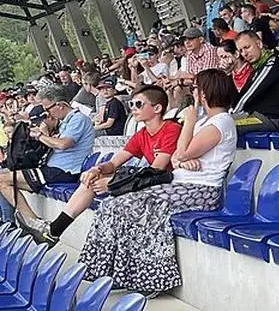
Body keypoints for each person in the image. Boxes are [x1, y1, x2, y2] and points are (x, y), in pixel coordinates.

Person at [78, 69, 238, 296]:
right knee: (113, 205)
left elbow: (180, 154)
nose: (193, 92)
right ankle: (112, 271)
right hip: (183, 183)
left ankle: (151, 277)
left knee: (128, 205)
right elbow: (176, 158)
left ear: (205, 93)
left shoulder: (220, 123)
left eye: (196, 89)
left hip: (202, 189)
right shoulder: (207, 121)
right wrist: (183, 159)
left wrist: (189, 124)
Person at [33, 85, 181, 246]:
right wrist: (97, 169)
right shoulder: (141, 135)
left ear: (157, 108)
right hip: (152, 182)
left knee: (110, 201)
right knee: (93, 180)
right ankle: (54, 231)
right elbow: (114, 163)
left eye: (138, 104)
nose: (133, 109)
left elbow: (157, 170)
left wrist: (111, 183)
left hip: (172, 183)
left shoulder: (171, 129)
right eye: (131, 104)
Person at [1, 84, 96, 229]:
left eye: (47, 109)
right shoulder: (65, 122)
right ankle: (29, 222)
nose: (47, 114)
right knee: (3, 180)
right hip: (53, 169)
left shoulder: (78, 119)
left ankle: (34, 223)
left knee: (3, 180)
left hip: (62, 171)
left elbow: (63, 144)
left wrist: (38, 135)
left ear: (60, 105)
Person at [232, 30, 279, 133]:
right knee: (215, 124)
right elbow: (241, 95)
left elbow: (248, 95)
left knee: (222, 125)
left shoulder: (273, 64)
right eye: (241, 51)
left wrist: (231, 114)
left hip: (267, 119)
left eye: (247, 47)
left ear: (259, 44)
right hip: (251, 116)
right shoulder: (257, 68)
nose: (244, 54)